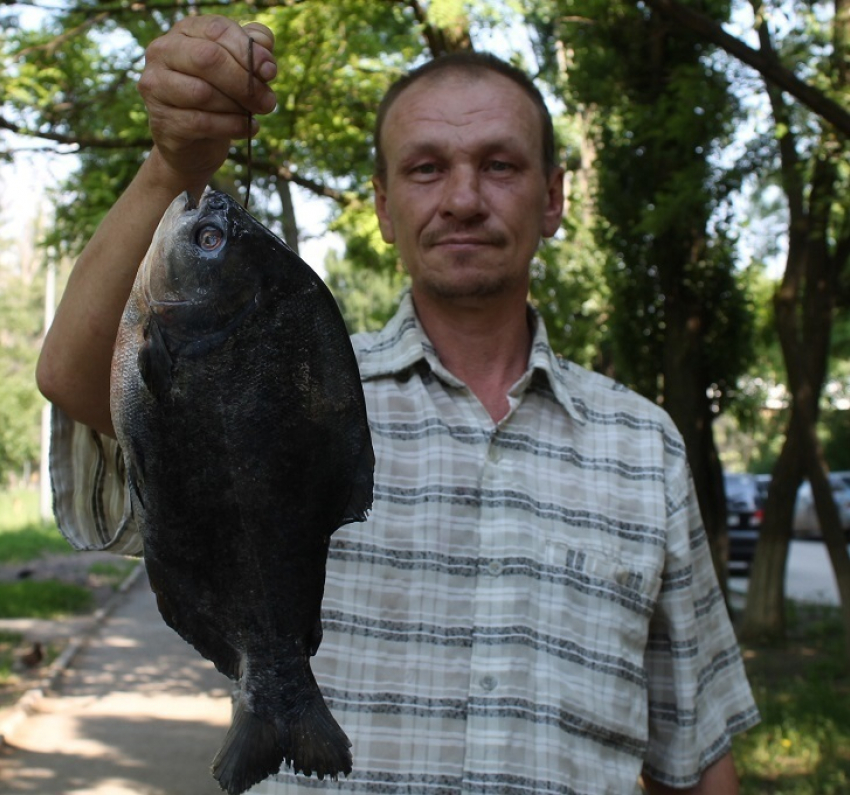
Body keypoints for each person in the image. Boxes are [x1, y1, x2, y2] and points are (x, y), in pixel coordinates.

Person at [36, 15, 759, 795]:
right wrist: (173, 164)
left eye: (500, 165)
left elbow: (695, 754)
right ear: (381, 206)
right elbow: (76, 382)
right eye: (424, 168)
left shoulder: (644, 447)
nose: (463, 198)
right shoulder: (299, 399)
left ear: (553, 198)